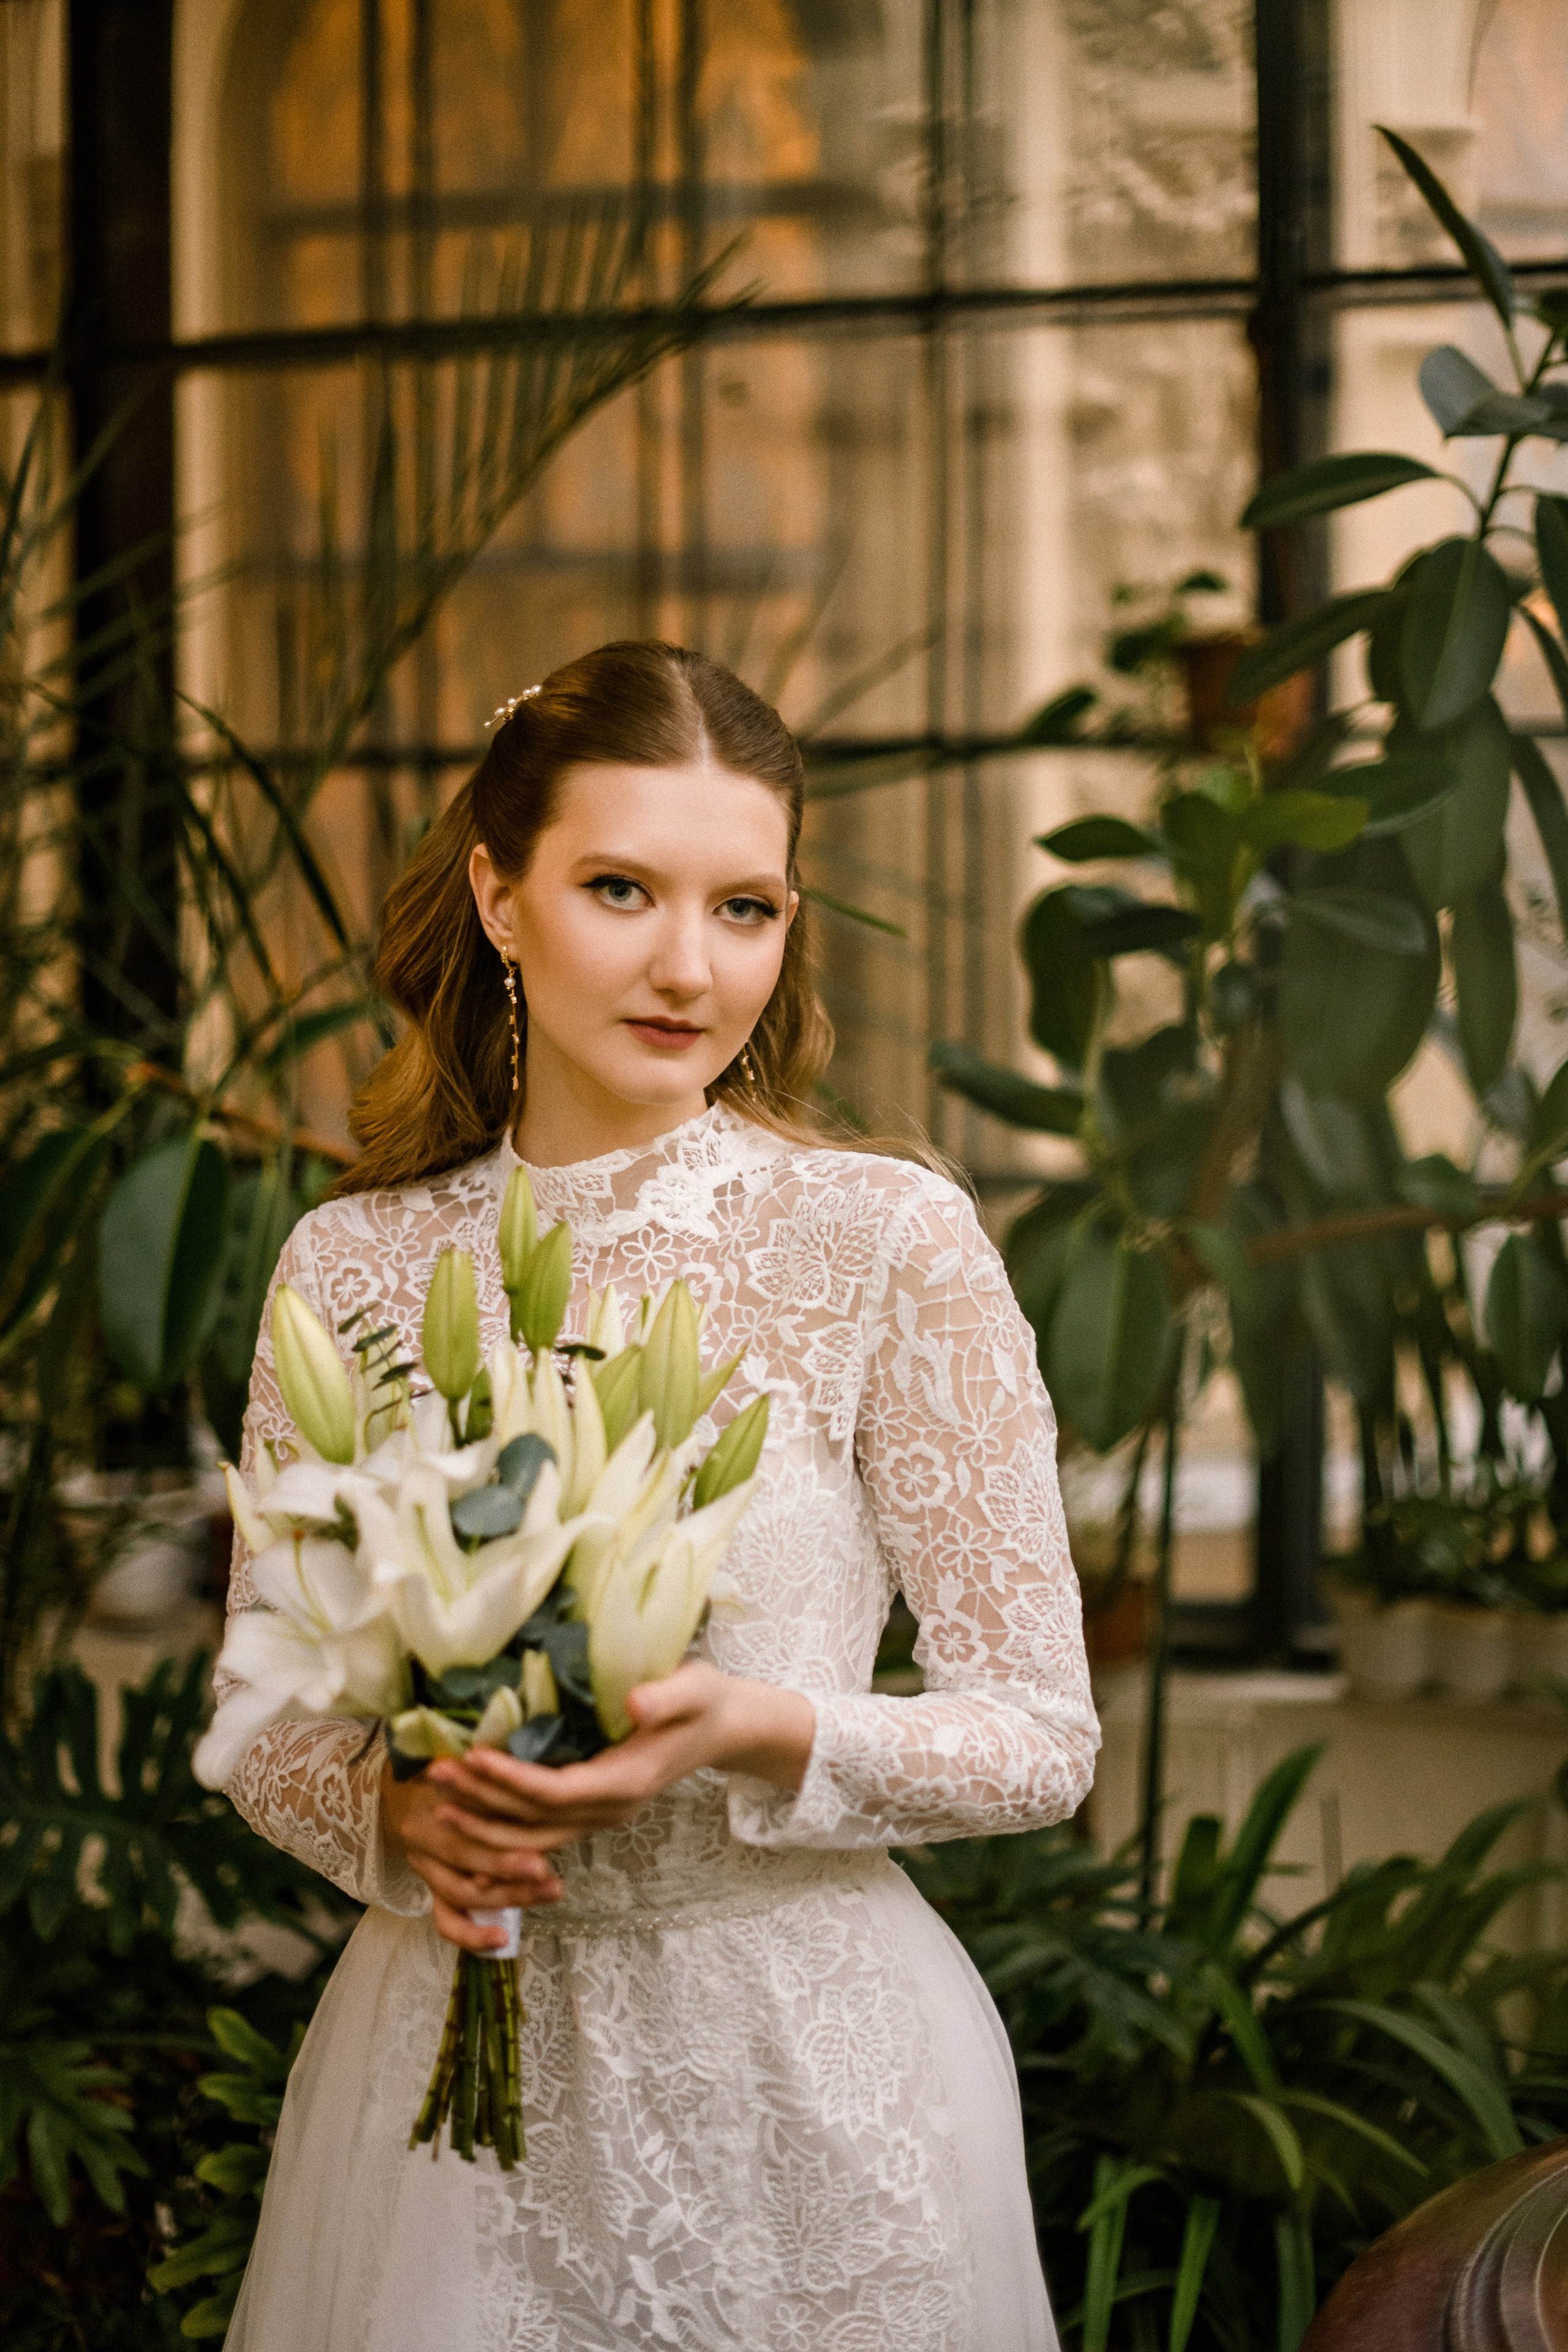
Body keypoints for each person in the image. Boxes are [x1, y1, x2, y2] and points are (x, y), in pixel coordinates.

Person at [217, 640, 1099, 2352]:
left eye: (744, 908)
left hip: (813, 2087)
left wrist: (749, 1727)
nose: (689, 966)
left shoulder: (883, 1241)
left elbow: (1040, 1736)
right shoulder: (352, 1265)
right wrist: (400, 1815)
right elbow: (268, 1713)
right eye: (621, 889)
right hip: (448, 2095)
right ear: (500, 896)